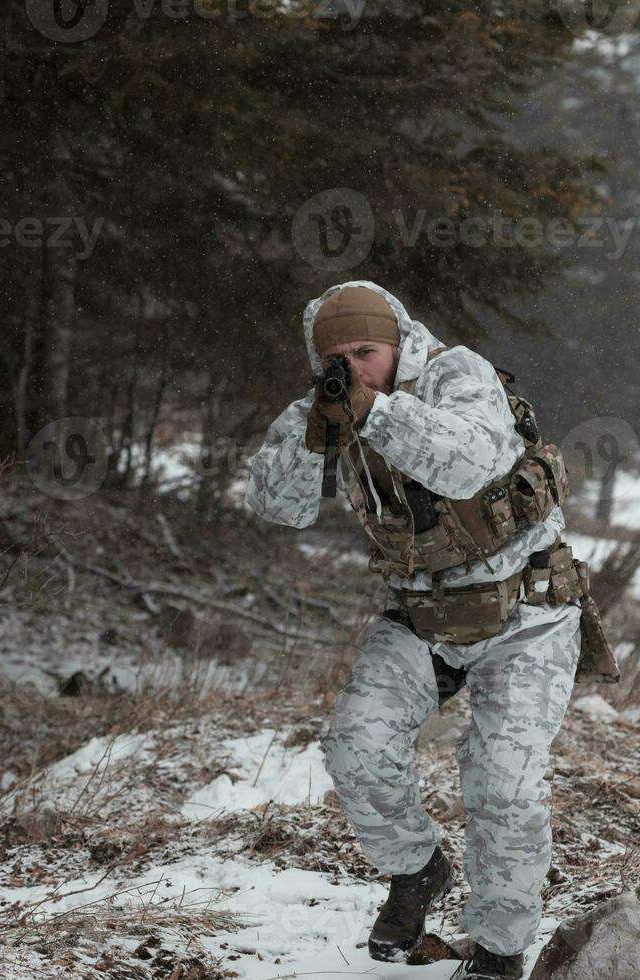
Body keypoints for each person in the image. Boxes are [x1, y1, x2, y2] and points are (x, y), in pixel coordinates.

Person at [244, 280, 587, 980]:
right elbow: (278, 508)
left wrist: (374, 412)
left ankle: (497, 949)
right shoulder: (328, 404)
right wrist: (313, 439)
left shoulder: (457, 374)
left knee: (502, 781)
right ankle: (418, 871)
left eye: (366, 351)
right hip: (424, 617)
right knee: (357, 748)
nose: (352, 367)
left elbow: (469, 463)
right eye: (335, 356)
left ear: (398, 344)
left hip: (528, 612)